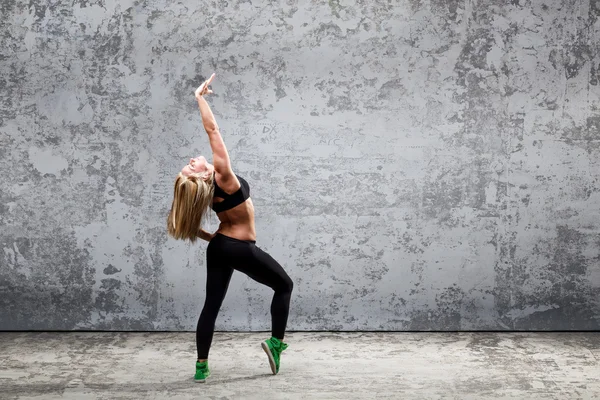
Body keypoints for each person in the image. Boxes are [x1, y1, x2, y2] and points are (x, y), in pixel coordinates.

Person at [167, 73, 294, 382]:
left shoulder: (206, 195)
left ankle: (201, 366)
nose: (192, 159)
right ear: (201, 177)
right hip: (239, 246)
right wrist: (200, 98)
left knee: (211, 304)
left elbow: (189, 226)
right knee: (285, 286)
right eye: (191, 166)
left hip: (220, 247)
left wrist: (216, 239)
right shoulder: (223, 178)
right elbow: (212, 129)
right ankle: (276, 344)